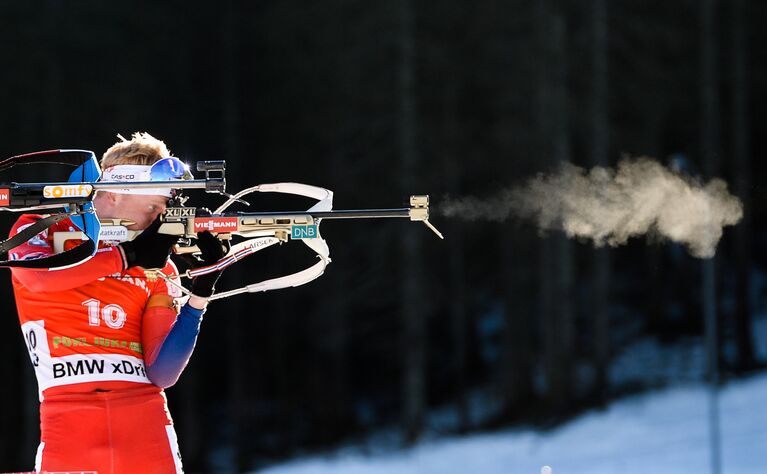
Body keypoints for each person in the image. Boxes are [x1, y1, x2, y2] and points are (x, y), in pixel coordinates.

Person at [7, 132, 226, 473]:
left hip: (145, 426)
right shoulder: (42, 229)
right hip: (68, 422)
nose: (159, 219)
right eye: (154, 207)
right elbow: (37, 278)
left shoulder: (157, 266)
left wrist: (200, 293)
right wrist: (125, 256)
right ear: (113, 192)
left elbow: (162, 372)